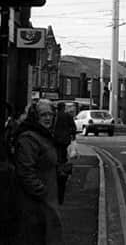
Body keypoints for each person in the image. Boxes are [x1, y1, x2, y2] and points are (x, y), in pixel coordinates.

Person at [13, 100, 64, 245]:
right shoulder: (28, 138)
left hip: (47, 200)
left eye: (50, 114)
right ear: (35, 117)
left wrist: (60, 171)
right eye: (43, 115)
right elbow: (25, 171)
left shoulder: (43, 135)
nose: (48, 118)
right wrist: (41, 191)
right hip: (35, 204)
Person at [52, 101, 76, 204]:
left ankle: (58, 171)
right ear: (64, 108)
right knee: (63, 157)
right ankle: (62, 172)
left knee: (57, 156)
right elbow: (73, 128)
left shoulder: (55, 116)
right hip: (65, 140)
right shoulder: (67, 116)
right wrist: (72, 136)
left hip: (55, 140)